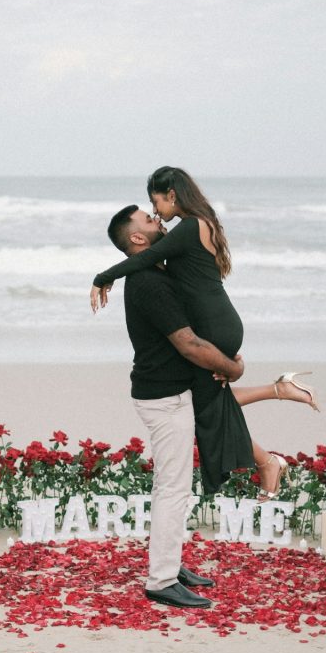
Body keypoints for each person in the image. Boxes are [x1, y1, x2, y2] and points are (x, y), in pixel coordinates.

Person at [92, 167, 319, 500]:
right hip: (218, 322)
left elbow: (147, 257)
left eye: (155, 203)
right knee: (204, 405)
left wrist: (103, 276)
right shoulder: (195, 225)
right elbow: (146, 258)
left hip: (214, 327)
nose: (155, 213)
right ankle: (278, 398)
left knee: (204, 407)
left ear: (172, 195)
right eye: (150, 212)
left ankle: (270, 449)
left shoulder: (189, 227)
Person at [109, 204, 244, 609]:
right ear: (137, 238)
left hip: (164, 394)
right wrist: (232, 368)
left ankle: (170, 563)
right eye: (150, 221)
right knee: (173, 489)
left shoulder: (155, 272)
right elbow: (189, 344)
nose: (160, 221)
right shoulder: (150, 282)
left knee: (170, 486)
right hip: (163, 399)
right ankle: (162, 580)